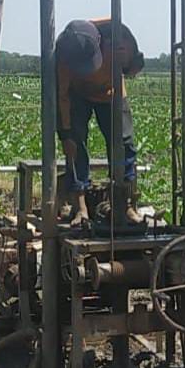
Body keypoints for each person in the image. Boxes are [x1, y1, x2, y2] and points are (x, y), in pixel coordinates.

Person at [56, 18, 145, 226]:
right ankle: (80, 207)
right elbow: (62, 97)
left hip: (111, 93)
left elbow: (135, 67)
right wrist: (66, 134)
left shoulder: (120, 36)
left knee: (124, 144)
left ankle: (124, 205)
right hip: (78, 95)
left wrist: (125, 63)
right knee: (75, 146)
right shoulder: (62, 56)